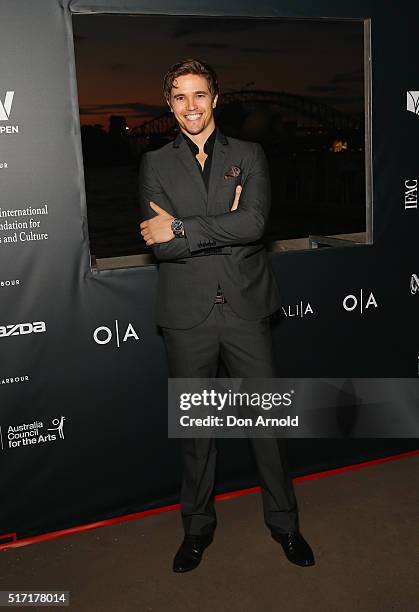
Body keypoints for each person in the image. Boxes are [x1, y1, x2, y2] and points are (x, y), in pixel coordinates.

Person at [139, 59, 314, 573]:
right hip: (186, 313)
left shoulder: (251, 154)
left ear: (216, 98)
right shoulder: (154, 162)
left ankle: (285, 524)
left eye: (199, 95)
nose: (190, 107)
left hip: (244, 307)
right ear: (168, 104)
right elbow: (160, 247)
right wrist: (220, 224)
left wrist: (185, 228)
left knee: (268, 425)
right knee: (196, 431)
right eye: (178, 97)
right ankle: (196, 528)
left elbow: (255, 223)